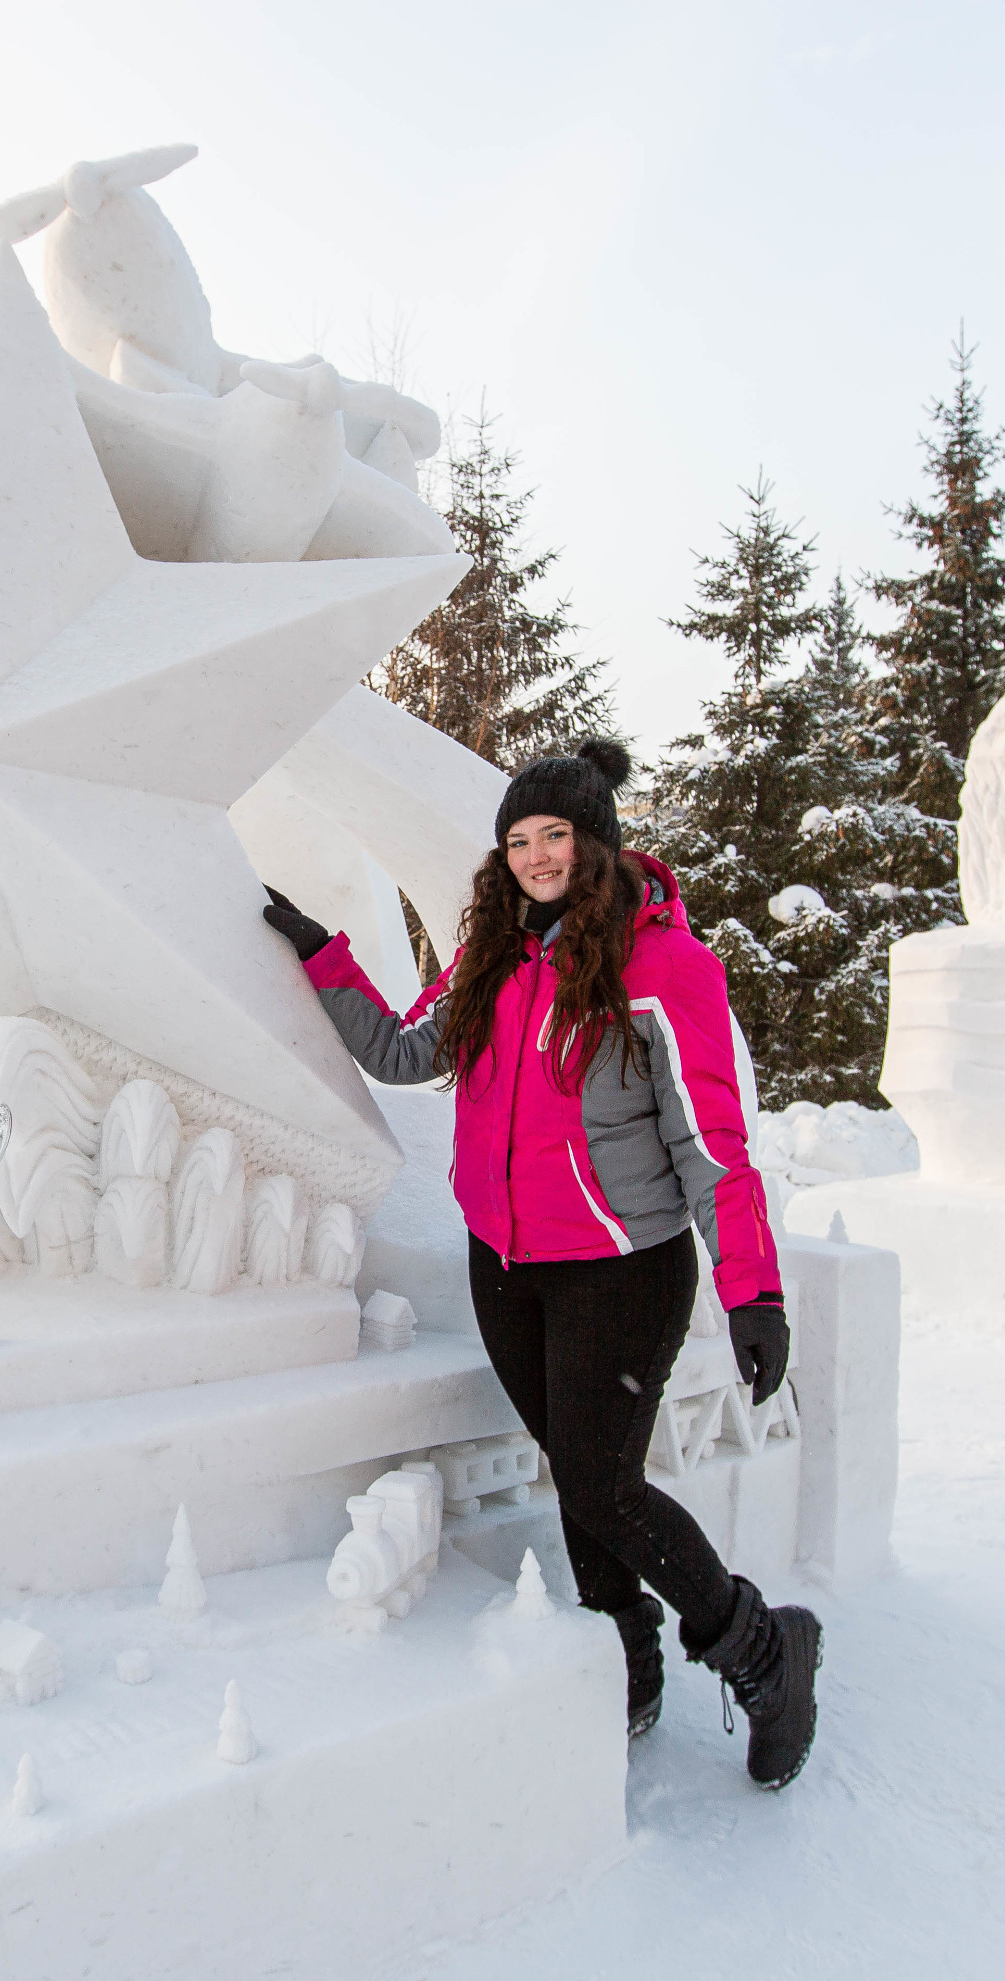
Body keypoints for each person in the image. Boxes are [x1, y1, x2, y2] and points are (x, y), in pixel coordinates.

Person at [260, 740, 824, 1789]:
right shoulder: (494, 959)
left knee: (606, 1484)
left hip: (623, 1267)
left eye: (554, 834)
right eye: (518, 839)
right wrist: (319, 956)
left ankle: (758, 1646)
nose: (534, 855)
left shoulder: (663, 967)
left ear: (597, 840)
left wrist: (754, 1291)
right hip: (508, 1264)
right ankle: (629, 1656)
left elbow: (714, 1149)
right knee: (579, 1470)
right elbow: (398, 1051)